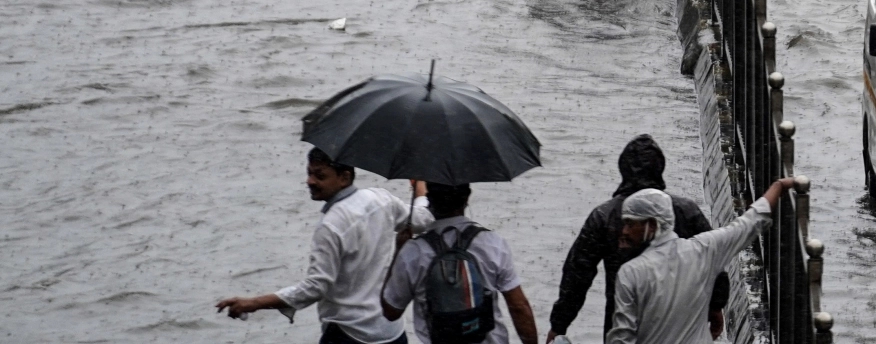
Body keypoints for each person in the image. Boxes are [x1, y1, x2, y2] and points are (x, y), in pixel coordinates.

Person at [215, 148, 429, 341]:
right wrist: (420, 186)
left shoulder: (331, 225)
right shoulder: (381, 199)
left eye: (320, 176)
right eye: (309, 173)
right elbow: (422, 219)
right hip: (390, 332)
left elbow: (316, 287)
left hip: (349, 333)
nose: (310, 181)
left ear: (344, 178)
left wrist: (255, 303)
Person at [550, 135, 727, 343]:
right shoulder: (685, 212)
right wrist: (715, 308)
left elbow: (577, 276)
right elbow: (714, 262)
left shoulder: (603, 217)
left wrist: (558, 326)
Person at [607, 179, 796, 344]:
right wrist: (778, 187)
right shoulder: (703, 250)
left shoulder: (630, 273)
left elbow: (622, 337)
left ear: (652, 224)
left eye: (631, 224)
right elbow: (749, 223)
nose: (624, 231)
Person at [379, 183, 537, 344]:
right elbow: (518, 306)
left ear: (429, 201)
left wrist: (399, 250)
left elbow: (391, 311)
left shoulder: (413, 252)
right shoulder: (492, 244)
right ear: (467, 198)